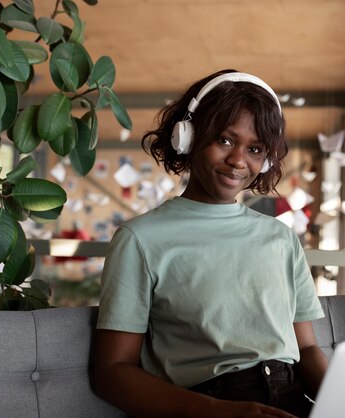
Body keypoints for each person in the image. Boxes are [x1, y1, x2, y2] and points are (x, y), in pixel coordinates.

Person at [93, 69, 328, 418]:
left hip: (294, 400)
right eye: (226, 140)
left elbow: (306, 347)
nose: (238, 161)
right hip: (207, 406)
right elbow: (110, 372)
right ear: (186, 137)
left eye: (255, 149)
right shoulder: (140, 239)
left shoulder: (281, 238)